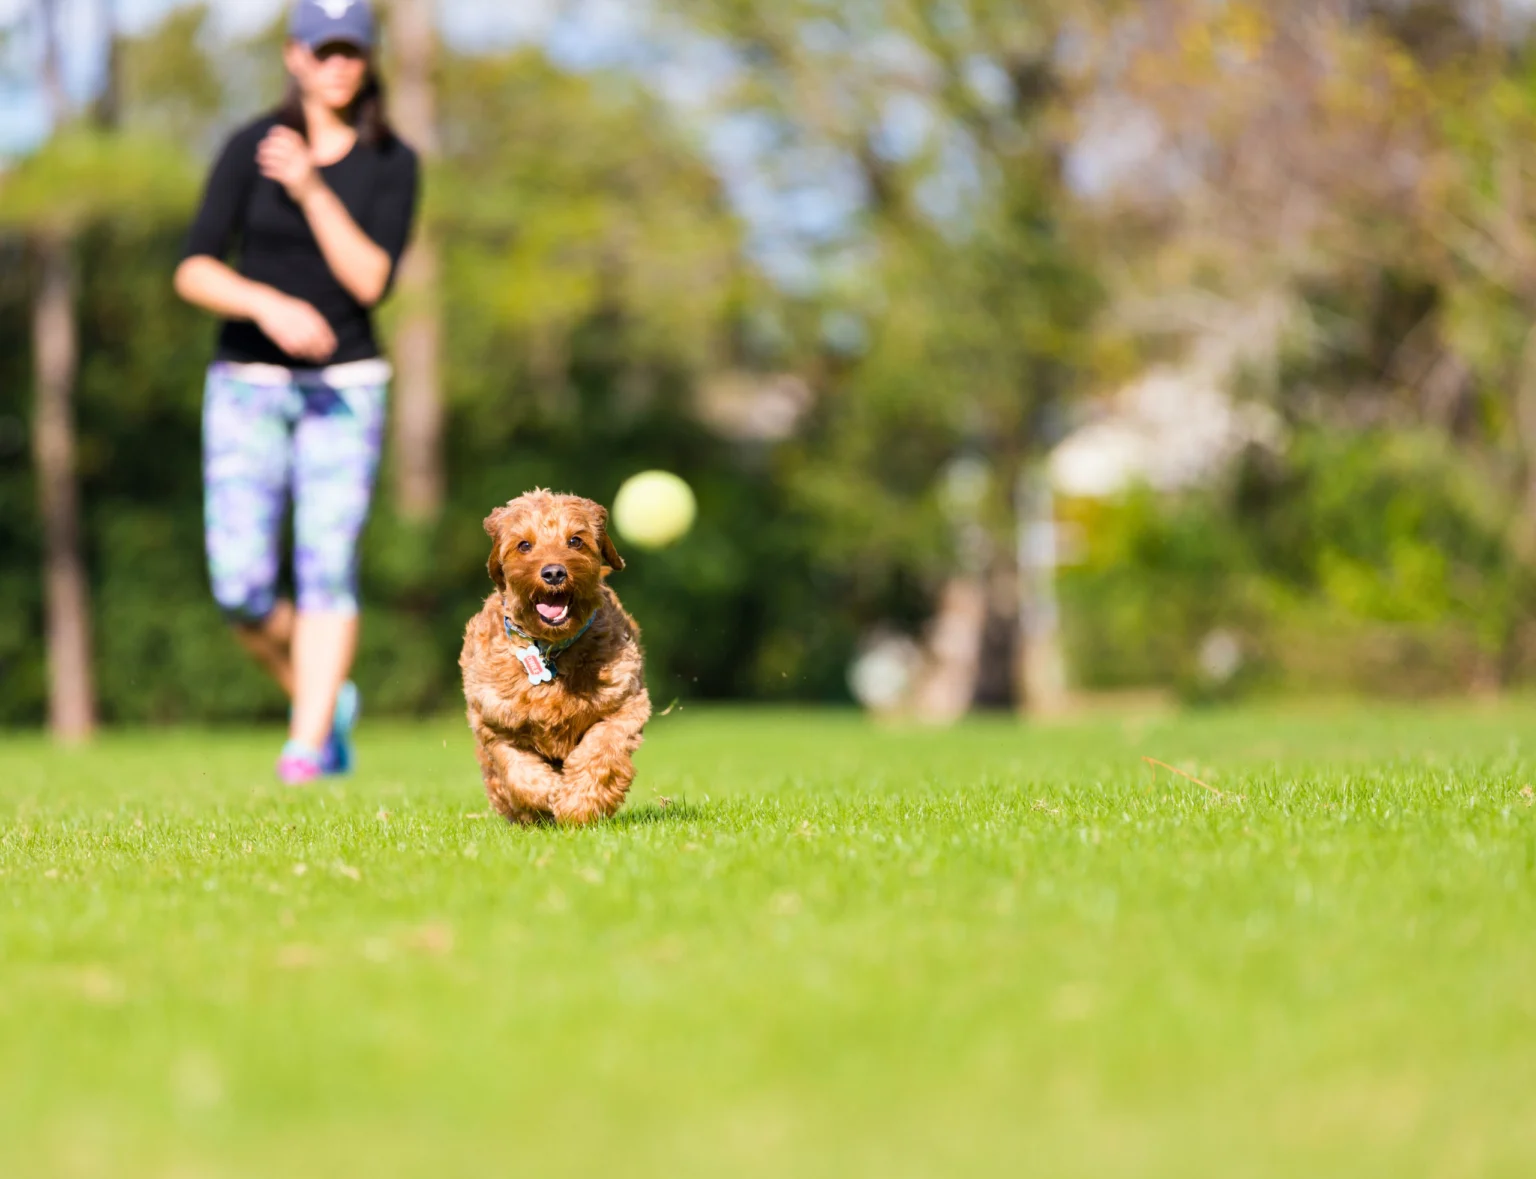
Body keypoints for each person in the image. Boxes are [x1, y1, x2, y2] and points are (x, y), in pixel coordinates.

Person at [173, 0, 419, 785]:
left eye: (351, 51)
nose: (337, 64)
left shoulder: (393, 161)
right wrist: (265, 303)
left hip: (345, 388)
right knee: (241, 586)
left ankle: (306, 747)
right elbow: (194, 267)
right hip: (246, 384)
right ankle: (322, 700)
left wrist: (313, 189)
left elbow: (372, 279)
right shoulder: (249, 147)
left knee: (327, 568)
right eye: (323, 50)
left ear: (369, 59)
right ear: (294, 57)